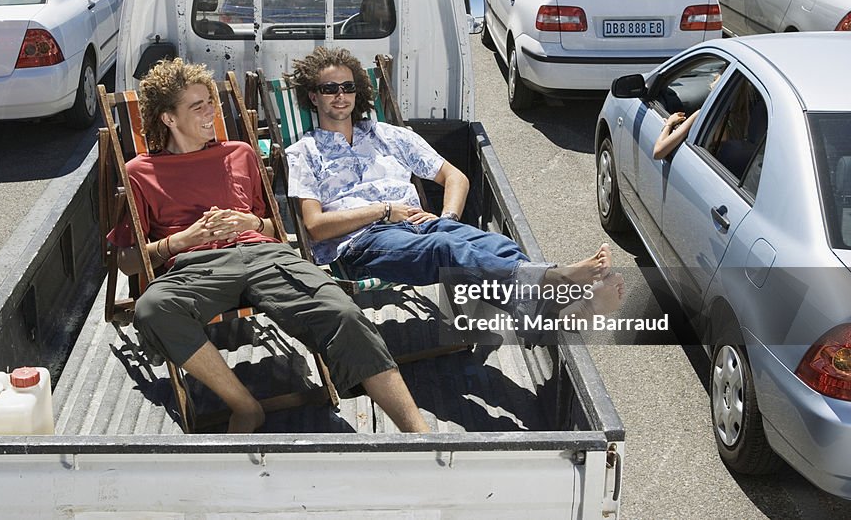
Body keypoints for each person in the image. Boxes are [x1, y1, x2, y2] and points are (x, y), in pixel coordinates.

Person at [108, 57, 429, 434]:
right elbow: (128, 262)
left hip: (264, 255)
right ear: (168, 119)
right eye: (198, 107)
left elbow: (273, 229)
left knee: (342, 313)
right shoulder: (140, 172)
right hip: (196, 266)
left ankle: (417, 434)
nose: (211, 112)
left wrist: (250, 222)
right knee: (152, 309)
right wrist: (182, 240)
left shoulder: (240, 154)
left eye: (211, 102)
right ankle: (245, 406)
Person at [285, 46, 623, 321]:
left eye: (347, 87)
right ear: (313, 97)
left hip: (421, 228)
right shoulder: (303, 153)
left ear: (358, 92)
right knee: (446, 251)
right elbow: (315, 227)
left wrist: (447, 219)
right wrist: (384, 211)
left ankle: (552, 313)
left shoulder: (388, 136)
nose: (340, 96)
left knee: (497, 246)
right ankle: (558, 278)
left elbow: (454, 176)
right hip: (362, 244)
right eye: (330, 89)